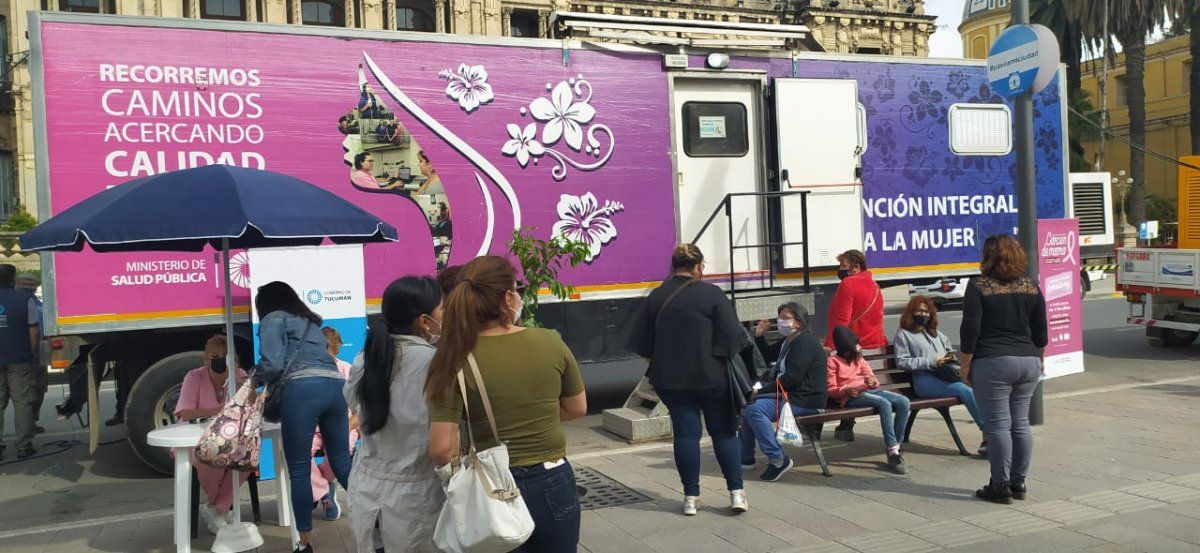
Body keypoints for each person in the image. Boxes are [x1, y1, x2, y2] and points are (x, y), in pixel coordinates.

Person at [427, 256, 587, 552]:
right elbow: (577, 408)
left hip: (489, 486)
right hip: (552, 479)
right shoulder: (550, 341)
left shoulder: (453, 358)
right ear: (507, 298)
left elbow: (440, 449)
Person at [628, 244, 750, 516]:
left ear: (673, 267)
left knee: (685, 435)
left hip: (671, 380)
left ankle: (691, 498)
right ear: (698, 267)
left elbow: (642, 343)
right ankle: (736, 493)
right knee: (724, 432)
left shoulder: (657, 296)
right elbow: (734, 338)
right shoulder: (712, 294)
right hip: (711, 376)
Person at [346, 277, 445, 553]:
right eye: (442, 310)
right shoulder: (434, 364)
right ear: (425, 321)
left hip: (367, 488)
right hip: (416, 496)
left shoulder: (365, 359)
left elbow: (354, 406)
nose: (445, 316)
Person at [255, 281, 352, 553]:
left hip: (302, 392)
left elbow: (272, 365)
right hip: (335, 389)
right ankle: (377, 521)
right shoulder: (311, 325)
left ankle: (304, 544)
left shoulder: (273, 319)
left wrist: (253, 381)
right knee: (343, 463)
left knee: (299, 470)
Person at [960, 235, 1047, 504]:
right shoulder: (1030, 285)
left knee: (998, 426)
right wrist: (1038, 359)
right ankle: (1018, 482)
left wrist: (965, 366)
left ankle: (999, 486)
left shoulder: (979, 286)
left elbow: (970, 330)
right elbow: (1041, 330)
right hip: (1028, 361)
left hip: (993, 361)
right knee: (1020, 423)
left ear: (988, 256)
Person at [741, 302, 828, 481]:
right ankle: (746, 457)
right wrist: (758, 335)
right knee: (747, 404)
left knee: (755, 409)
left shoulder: (803, 343)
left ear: (798, 322)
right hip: (790, 395)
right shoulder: (789, 341)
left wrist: (761, 390)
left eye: (786, 318)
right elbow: (767, 355)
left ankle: (778, 460)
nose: (781, 321)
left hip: (804, 400)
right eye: (779, 317)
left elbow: (791, 379)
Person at [893, 295, 987, 456]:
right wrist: (931, 361)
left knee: (979, 386)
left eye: (926, 311)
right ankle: (990, 434)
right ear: (911, 312)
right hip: (923, 380)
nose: (922, 314)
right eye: (918, 311)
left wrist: (950, 356)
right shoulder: (903, 334)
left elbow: (948, 348)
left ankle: (993, 433)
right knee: (965, 390)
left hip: (944, 376)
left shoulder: (935, 333)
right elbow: (902, 362)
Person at [174, 334, 249, 533]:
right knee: (213, 458)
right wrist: (220, 411)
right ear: (206, 358)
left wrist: (243, 385)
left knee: (247, 458)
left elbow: (251, 406)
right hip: (195, 440)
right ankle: (220, 509)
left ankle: (216, 508)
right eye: (215, 355)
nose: (220, 360)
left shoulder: (238, 374)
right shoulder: (194, 377)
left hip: (228, 438)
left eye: (225, 356)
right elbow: (186, 413)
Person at [826, 325, 910, 474]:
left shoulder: (859, 359)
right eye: (854, 347)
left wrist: (872, 381)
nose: (858, 349)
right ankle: (892, 451)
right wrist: (845, 390)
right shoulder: (833, 362)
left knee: (903, 401)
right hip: (852, 395)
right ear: (846, 349)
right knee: (884, 403)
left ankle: (896, 444)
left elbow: (872, 379)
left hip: (869, 390)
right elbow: (831, 390)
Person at [825, 249, 886, 442]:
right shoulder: (875, 286)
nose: (840, 270)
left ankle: (827, 424)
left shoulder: (848, 284)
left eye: (843, 266)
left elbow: (841, 320)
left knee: (833, 376)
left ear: (856, 267)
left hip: (852, 346)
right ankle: (846, 425)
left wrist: (829, 344)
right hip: (873, 344)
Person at [308, 327, 359, 522]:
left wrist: (347, 426)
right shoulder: (308, 373)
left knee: (342, 448)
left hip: (344, 425)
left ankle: (322, 485)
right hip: (315, 428)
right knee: (298, 451)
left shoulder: (347, 370)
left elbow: (359, 409)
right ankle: (323, 492)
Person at [0, 264, 39, 460]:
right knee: (21, 401)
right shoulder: (25, 300)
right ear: (13, 279)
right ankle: (24, 445)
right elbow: (33, 329)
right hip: (19, 357)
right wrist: (30, 353)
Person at [15, 273, 45, 434]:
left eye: (31, 284)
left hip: (38, 355)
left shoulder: (39, 304)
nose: (29, 287)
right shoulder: (17, 303)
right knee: (24, 397)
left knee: (39, 390)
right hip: (22, 355)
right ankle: (25, 432)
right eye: (25, 284)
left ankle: (32, 422)